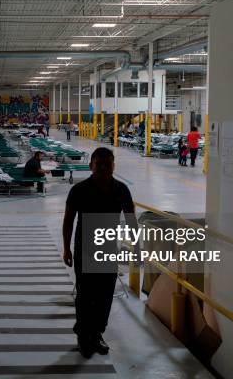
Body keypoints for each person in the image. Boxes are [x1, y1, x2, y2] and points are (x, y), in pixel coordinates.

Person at [62, 147, 138, 358]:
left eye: (108, 164)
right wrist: (66, 248)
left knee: (105, 295)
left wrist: (136, 247)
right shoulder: (79, 190)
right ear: (91, 166)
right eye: (99, 164)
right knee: (86, 295)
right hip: (84, 248)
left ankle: (96, 334)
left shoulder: (121, 190)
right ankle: (83, 335)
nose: (104, 168)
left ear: (114, 165)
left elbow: (131, 218)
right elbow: (68, 221)